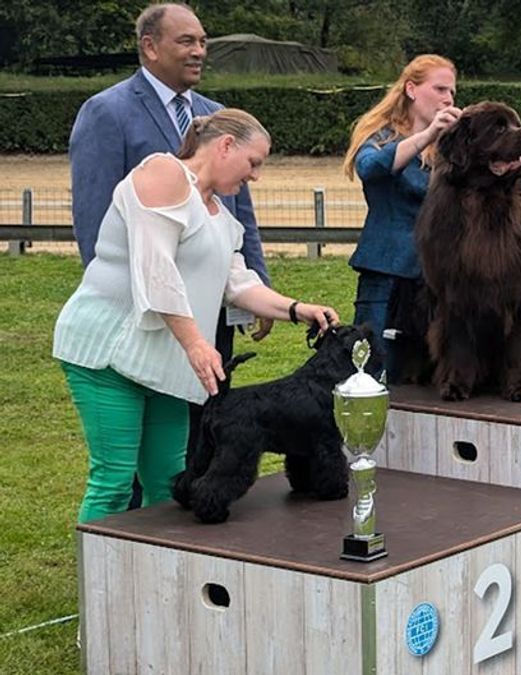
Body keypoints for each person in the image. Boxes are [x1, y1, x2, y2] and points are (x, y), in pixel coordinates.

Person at [54, 109, 340, 524]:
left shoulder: (223, 220)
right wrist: (196, 343)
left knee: (168, 481)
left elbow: (239, 285)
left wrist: (297, 309)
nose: (255, 177)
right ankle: (97, 586)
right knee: (113, 481)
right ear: (225, 146)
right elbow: (157, 267)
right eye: (254, 163)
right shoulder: (162, 173)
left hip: (166, 366)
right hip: (107, 353)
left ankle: (150, 575)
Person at [69, 3, 271, 509]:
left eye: (203, 40)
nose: (199, 50)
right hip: (133, 318)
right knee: (117, 474)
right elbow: (97, 220)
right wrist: (134, 297)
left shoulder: (218, 117)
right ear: (150, 46)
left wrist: (255, 300)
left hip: (200, 315)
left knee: (180, 461)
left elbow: (235, 222)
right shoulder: (107, 111)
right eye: (186, 41)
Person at [341, 54, 461, 363]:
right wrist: (426, 135)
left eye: (452, 92)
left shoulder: (449, 145)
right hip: (386, 274)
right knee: (377, 367)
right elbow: (369, 167)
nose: (448, 99)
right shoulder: (379, 134)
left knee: (430, 371)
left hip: (438, 276)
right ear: (410, 89)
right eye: (440, 89)